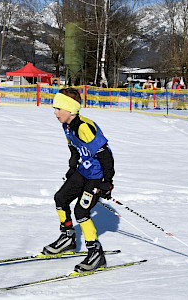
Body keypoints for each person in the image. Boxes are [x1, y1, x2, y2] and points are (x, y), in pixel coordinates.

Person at [43, 88, 115, 273]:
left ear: (70, 109)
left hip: (96, 176)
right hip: (83, 171)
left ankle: (96, 254)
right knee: (61, 198)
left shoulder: (84, 126)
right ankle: (68, 238)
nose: (55, 112)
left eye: (59, 108)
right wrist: (72, 167)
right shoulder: (67, 125)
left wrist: (107, 182)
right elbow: (74, 149)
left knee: (81, 210)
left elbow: (106, 156)